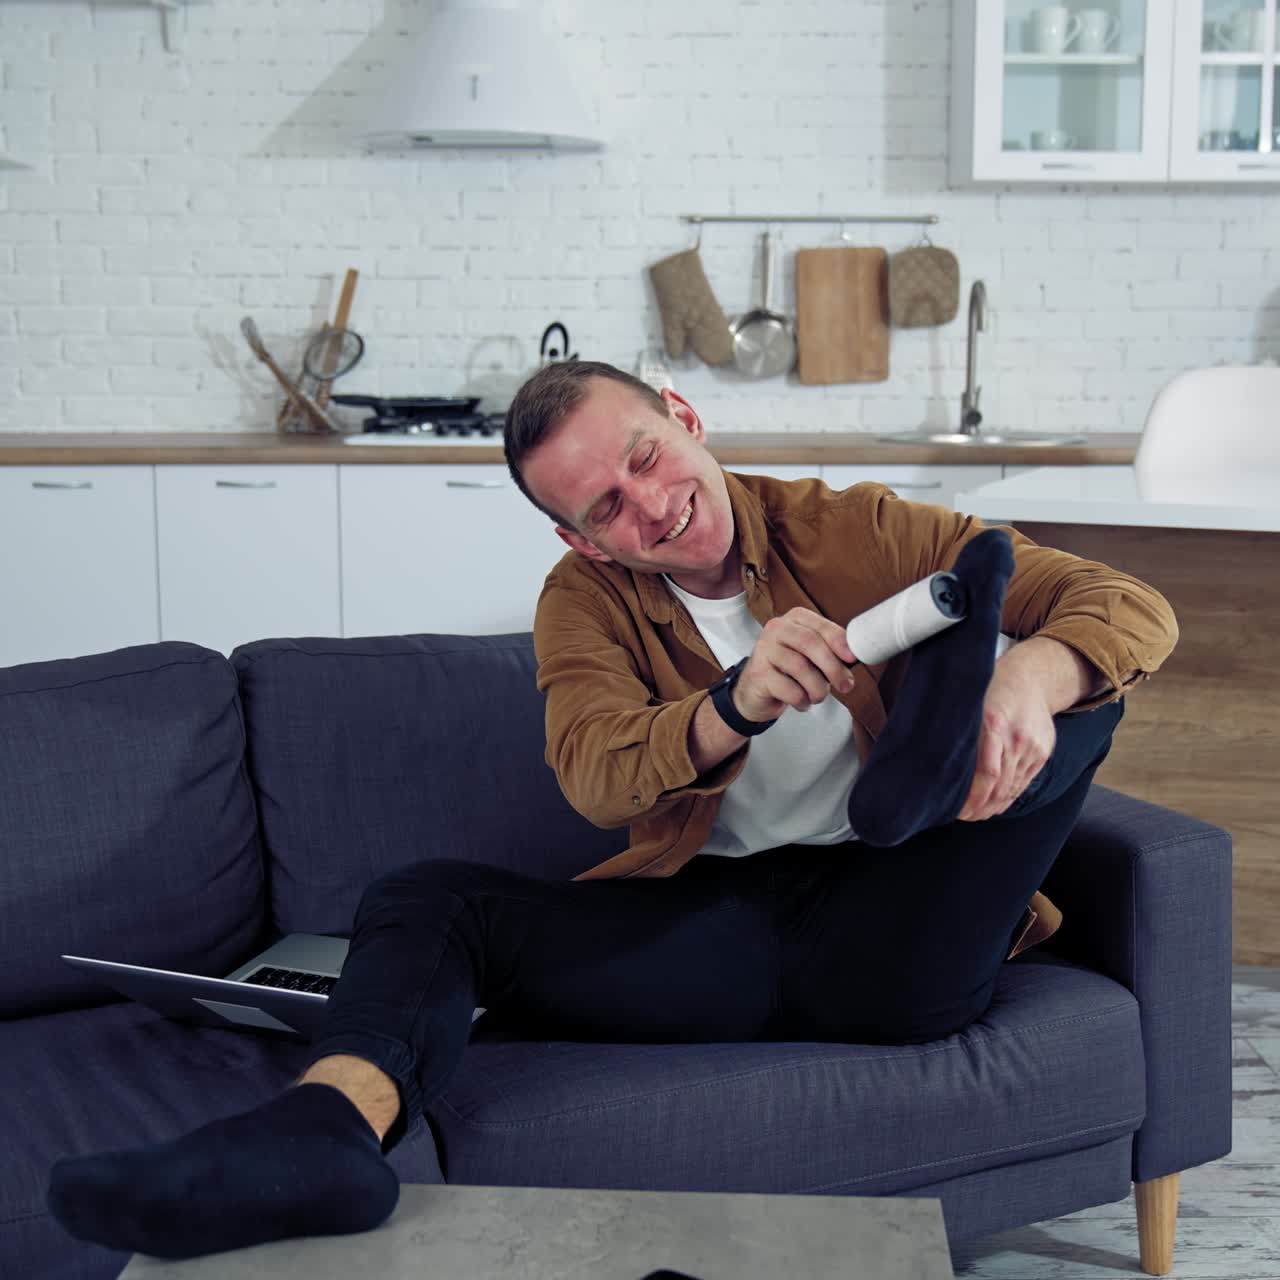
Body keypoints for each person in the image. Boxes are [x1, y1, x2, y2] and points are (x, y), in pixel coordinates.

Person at [47, 361, 1178, 1261]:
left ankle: (949, 699)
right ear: (579, 536)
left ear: (682, 415)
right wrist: (730, 703)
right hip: (719, 925)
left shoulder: (854, 526)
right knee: (426, 900)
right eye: (607, 507)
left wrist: (1032, 674)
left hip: (903, 916)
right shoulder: (580, 600)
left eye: (646, 455)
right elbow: (591, 768)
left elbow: (1126, 601)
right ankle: (322, 1134)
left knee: (1071, 685)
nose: (651, 506)